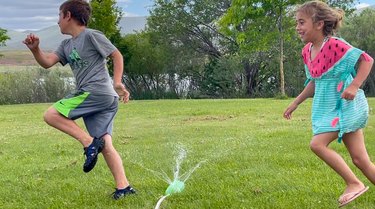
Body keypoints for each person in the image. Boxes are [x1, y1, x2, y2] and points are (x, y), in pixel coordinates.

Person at [23, 0, 135, 200]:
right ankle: (123, 187)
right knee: (105, 144)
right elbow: (48, 62)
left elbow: (116, 55)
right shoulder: (66, 44)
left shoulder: (91, 35)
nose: (57, 22)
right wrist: (35, 50)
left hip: (95, 91)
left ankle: (89, 143)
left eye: (59, 16)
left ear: (68, 16)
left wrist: (117, 82)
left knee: (51, 114)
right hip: (104, 100)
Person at [283, 1, 374, 207]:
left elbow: (366, 60)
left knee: (317, 144)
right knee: (361, 160)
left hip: (344, 107)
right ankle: (356, 180)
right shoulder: (307, 51)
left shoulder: (334, 44)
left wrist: (355, 86)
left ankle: (353, 183)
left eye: (301, 22)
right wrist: (296, 103)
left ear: (319, 24)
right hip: (328, 107)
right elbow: (316, 82)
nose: (297, 27)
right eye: (296, 23)